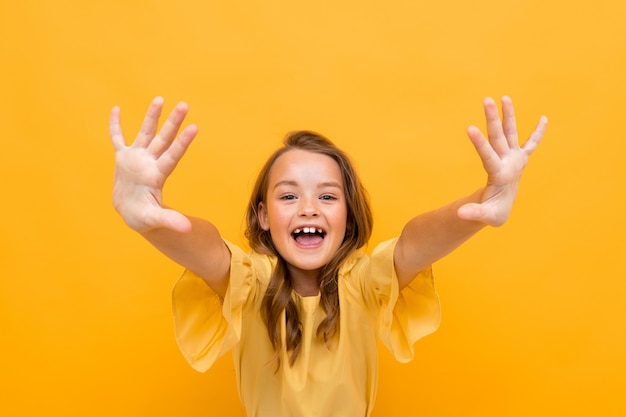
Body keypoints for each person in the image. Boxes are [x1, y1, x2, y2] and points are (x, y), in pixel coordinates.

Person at [109, 96, 547, 416]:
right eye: (288, 196)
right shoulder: (252, 283)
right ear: (263, 216)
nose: (308, 208)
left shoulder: (363, 281)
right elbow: (207, 250)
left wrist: (483, 201)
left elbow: (414, 242)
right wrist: (152, 217)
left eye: (327, 196)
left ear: (348, 216)